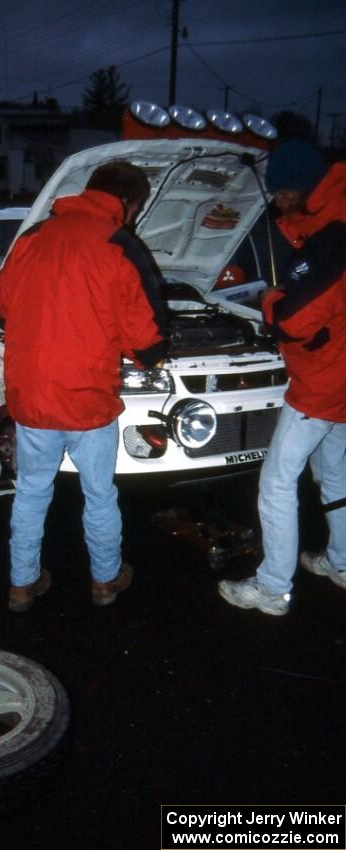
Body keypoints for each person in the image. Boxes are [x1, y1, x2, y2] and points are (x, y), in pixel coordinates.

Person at [0, 161, 168, 611]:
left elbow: (4, 305)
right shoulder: (119, 244)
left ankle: (20, 585)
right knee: (99, 494)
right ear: (127, 204)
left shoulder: (32, 239)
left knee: (32, 491)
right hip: (87, 399)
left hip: (32, 395)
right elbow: (146, 341)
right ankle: (105, 581)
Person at [218, 139, 346, 616]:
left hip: (323, 384)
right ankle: (342, 563)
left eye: (282, 194)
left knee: (275, 483)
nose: (278, 203)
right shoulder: (335, 214)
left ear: (303, 185)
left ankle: (272, 588)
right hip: (342, 378)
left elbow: (293, 317)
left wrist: (270, 301)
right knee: (334, 475)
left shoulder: (333, 235)